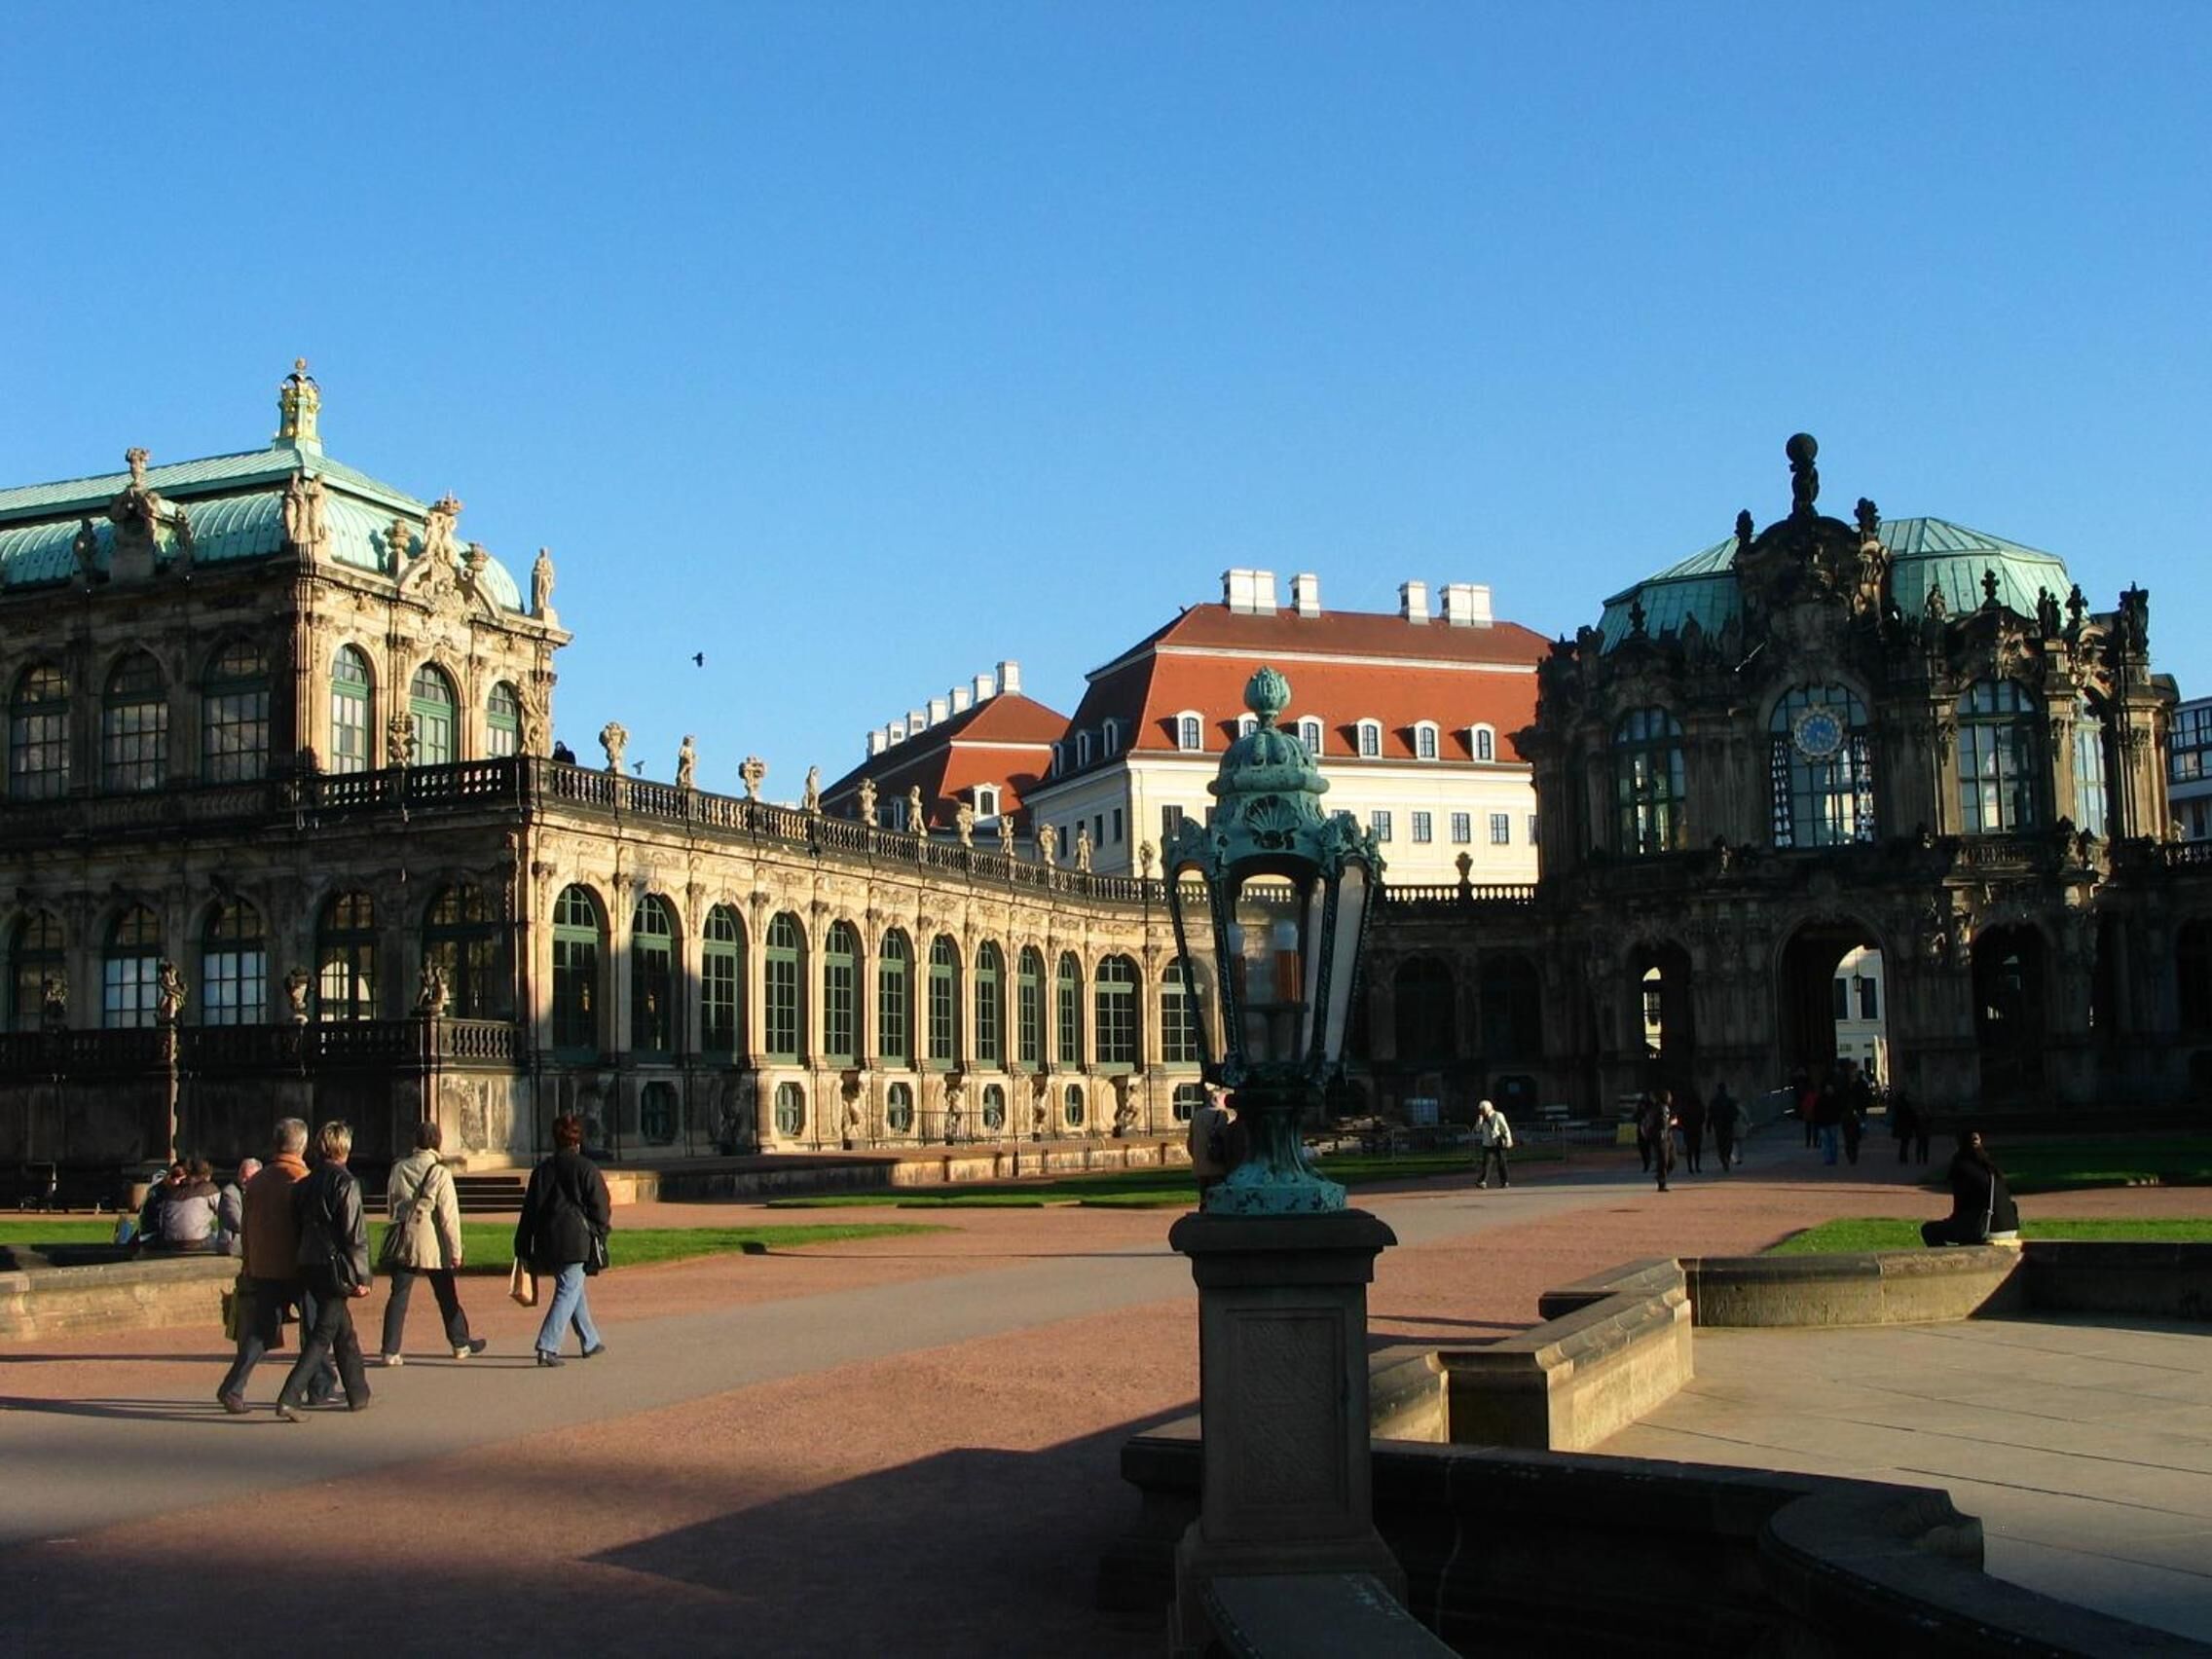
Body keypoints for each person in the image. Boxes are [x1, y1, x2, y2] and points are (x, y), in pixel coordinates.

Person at [218, 1123, 331, 1414]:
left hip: (263, 1266)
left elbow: (246, 1226)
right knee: (314, 1328)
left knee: (261, 1332)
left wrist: (249, 1263)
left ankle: (233, 1387)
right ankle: (318, 1387)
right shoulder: (301, 1178)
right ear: (303, 1145)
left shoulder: (257, 1181)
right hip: (297, 1266)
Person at [274, 1121, 373, 1420]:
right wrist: (362, 1276)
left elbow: (296, 1226)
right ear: (344, 1148)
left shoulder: (304, 1184)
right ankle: (290, 1396)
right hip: (335, 1267)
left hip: (308, 1262)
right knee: (324, 1333)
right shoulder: (346, 1183)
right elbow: (355, 1235)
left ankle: (358, 1392)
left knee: (343, 1330)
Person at [378, 1120, 487, 1364]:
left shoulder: (399, 1167)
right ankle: (460, 1343)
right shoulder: (440, 1171)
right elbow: (449, 1217)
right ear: (438, 1142)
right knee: (446, 1294)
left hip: (405, 1235)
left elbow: (391, 1202)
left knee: (399, 1295)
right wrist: (456, 1251)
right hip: (431, 1240)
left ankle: (390, 1349)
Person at [515, 1114, 611, 1367]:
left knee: (572, 1287)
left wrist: (522, 1246)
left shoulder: (541, 1170)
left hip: (547, 1240)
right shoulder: (586, 1168)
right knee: (568, 1289)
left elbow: (529, 1212)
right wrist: (600, 1232)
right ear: (578, 1141)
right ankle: (547, 1345)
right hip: (576, 1240)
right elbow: (601, 1207)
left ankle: (590, 1340)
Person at [1921, 1128, 2020, 1247]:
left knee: (1929, 1230)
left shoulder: (1962, 1167)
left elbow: (1960, 1207)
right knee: (1963, 1228)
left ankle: (1947, 1260)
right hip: (2010, 1228)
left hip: (1986, 1228)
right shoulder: (1991, 1169)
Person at [152, 1158, 221, 1251]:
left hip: (170, 1242)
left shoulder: (171, 1191)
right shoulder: (208, 1188)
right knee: (223, 1235)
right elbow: (225, 1210)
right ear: (206, 1174)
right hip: (198, 1242)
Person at [1186, 1088, 1234, 1201]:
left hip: (1200, 1166)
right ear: (1219, 1100)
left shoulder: (1197, 1115)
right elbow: (1226, 1141)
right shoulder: (1222, 1115)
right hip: (1217, 1165)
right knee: (1218, 1199)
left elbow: (1190, 1143)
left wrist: (1197, 1158)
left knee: (1204, 1199)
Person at [215, 1158, 259, 1256]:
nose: (244, 1180)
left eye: (249, 1178)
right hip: (233, 1245)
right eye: (242, 1175)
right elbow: (237, 1223)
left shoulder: (260, 1191)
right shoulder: (229, 1193)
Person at [1638, 1090, 1677, 1193]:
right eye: (1669, 1096)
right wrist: (1672, 1122)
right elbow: (1662, 1124)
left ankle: (1660, 1177)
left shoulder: (1666, 1108)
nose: (1670, 1098)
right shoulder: (1659, 1108)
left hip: (1667, 1136)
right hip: (1661, 1137)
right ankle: (1661, 1183)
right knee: (1663, 1160)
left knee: (1671, 1160)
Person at [1473, 1099, 1513, 1189]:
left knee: (1501, 1162)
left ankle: (1505, 1181)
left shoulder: (1497, 1115)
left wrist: (1509, 1140)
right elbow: (1477, 1130)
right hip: (1487, 1143)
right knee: (1486, 1163)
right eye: (1480, 1110)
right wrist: (1479, 1121)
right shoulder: (1482, 1118)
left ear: (1487, 1109)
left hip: (1498, 1142)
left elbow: (1505, 1128)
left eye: (1483, 1109)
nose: (1481, 1111)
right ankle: (1483, 1181)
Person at [1709, 1082, 1741, 1172]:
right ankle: (1726, 1157)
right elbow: (1736, 1112)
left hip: (1718, 1125)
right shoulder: (1729, 1100)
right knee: (1728, 1143)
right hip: (1728, 1125)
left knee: (1720, 1144)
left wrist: (1709, 1125)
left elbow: (1710, 1114)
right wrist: (1733, 1118)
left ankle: (1723, 1159)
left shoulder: (1714, 1101)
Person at [1676, 1086, 1707, 1175]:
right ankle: (1697, 1166)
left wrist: (1682, 1125)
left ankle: (1690, 1167)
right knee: (1697, 1149)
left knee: (1689, 1149)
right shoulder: (1699, 1105)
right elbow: (1703, 1116)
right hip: (1697, 1128)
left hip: (1688, 1129)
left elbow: (1680, 1117)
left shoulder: (1685, 1106)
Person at [1889, 1088, 1919, 1166]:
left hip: (1901, 1126)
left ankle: (1902, 1156)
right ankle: (1904, 1157)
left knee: (1904, 1142)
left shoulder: (1897, 1105)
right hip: (1906, 1125)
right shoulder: (1905, 1105)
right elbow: (1912, 1114)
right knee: (1905, 1142)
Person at [1633, 1089, 1656, 1173]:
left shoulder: (1652, 1106)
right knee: (1644, 1149)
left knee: (1648, 1148)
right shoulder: (1640, 1107)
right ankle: (1647, 1164)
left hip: (1650, 1130)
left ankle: (1648, 1164)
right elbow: (1635, 1117)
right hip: (1643, 1130)